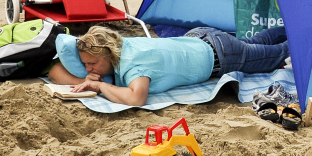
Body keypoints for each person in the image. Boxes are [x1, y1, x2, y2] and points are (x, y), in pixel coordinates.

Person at [47, 25, 289, 107]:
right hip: (203, 38)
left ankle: (310, 35)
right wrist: (88, 80)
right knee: (259, 43)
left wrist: (98, 87)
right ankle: (290, 26)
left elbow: (136, 98)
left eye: (92, 64)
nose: (88, 69)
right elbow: (54, 72)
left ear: (109, 55)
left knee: (277, 55)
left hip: (222, 55)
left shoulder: (134, 64)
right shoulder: (121, 45)